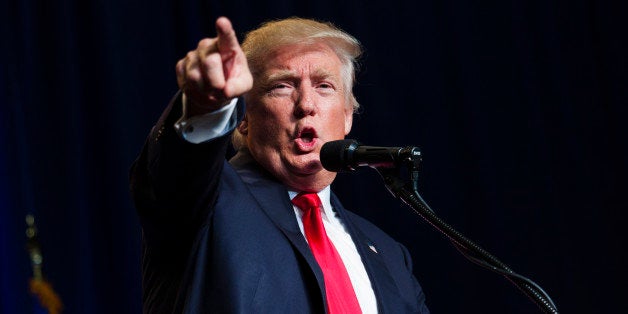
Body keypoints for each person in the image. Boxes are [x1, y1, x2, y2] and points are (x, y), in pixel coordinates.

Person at [130, 16, 430, 313]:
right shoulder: (206, 205)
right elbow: (175, 173)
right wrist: (205, 106)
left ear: (348, 115)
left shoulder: (390, 256)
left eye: (324, 86)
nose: (306, 105)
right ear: (244, 117)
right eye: (282, 87)